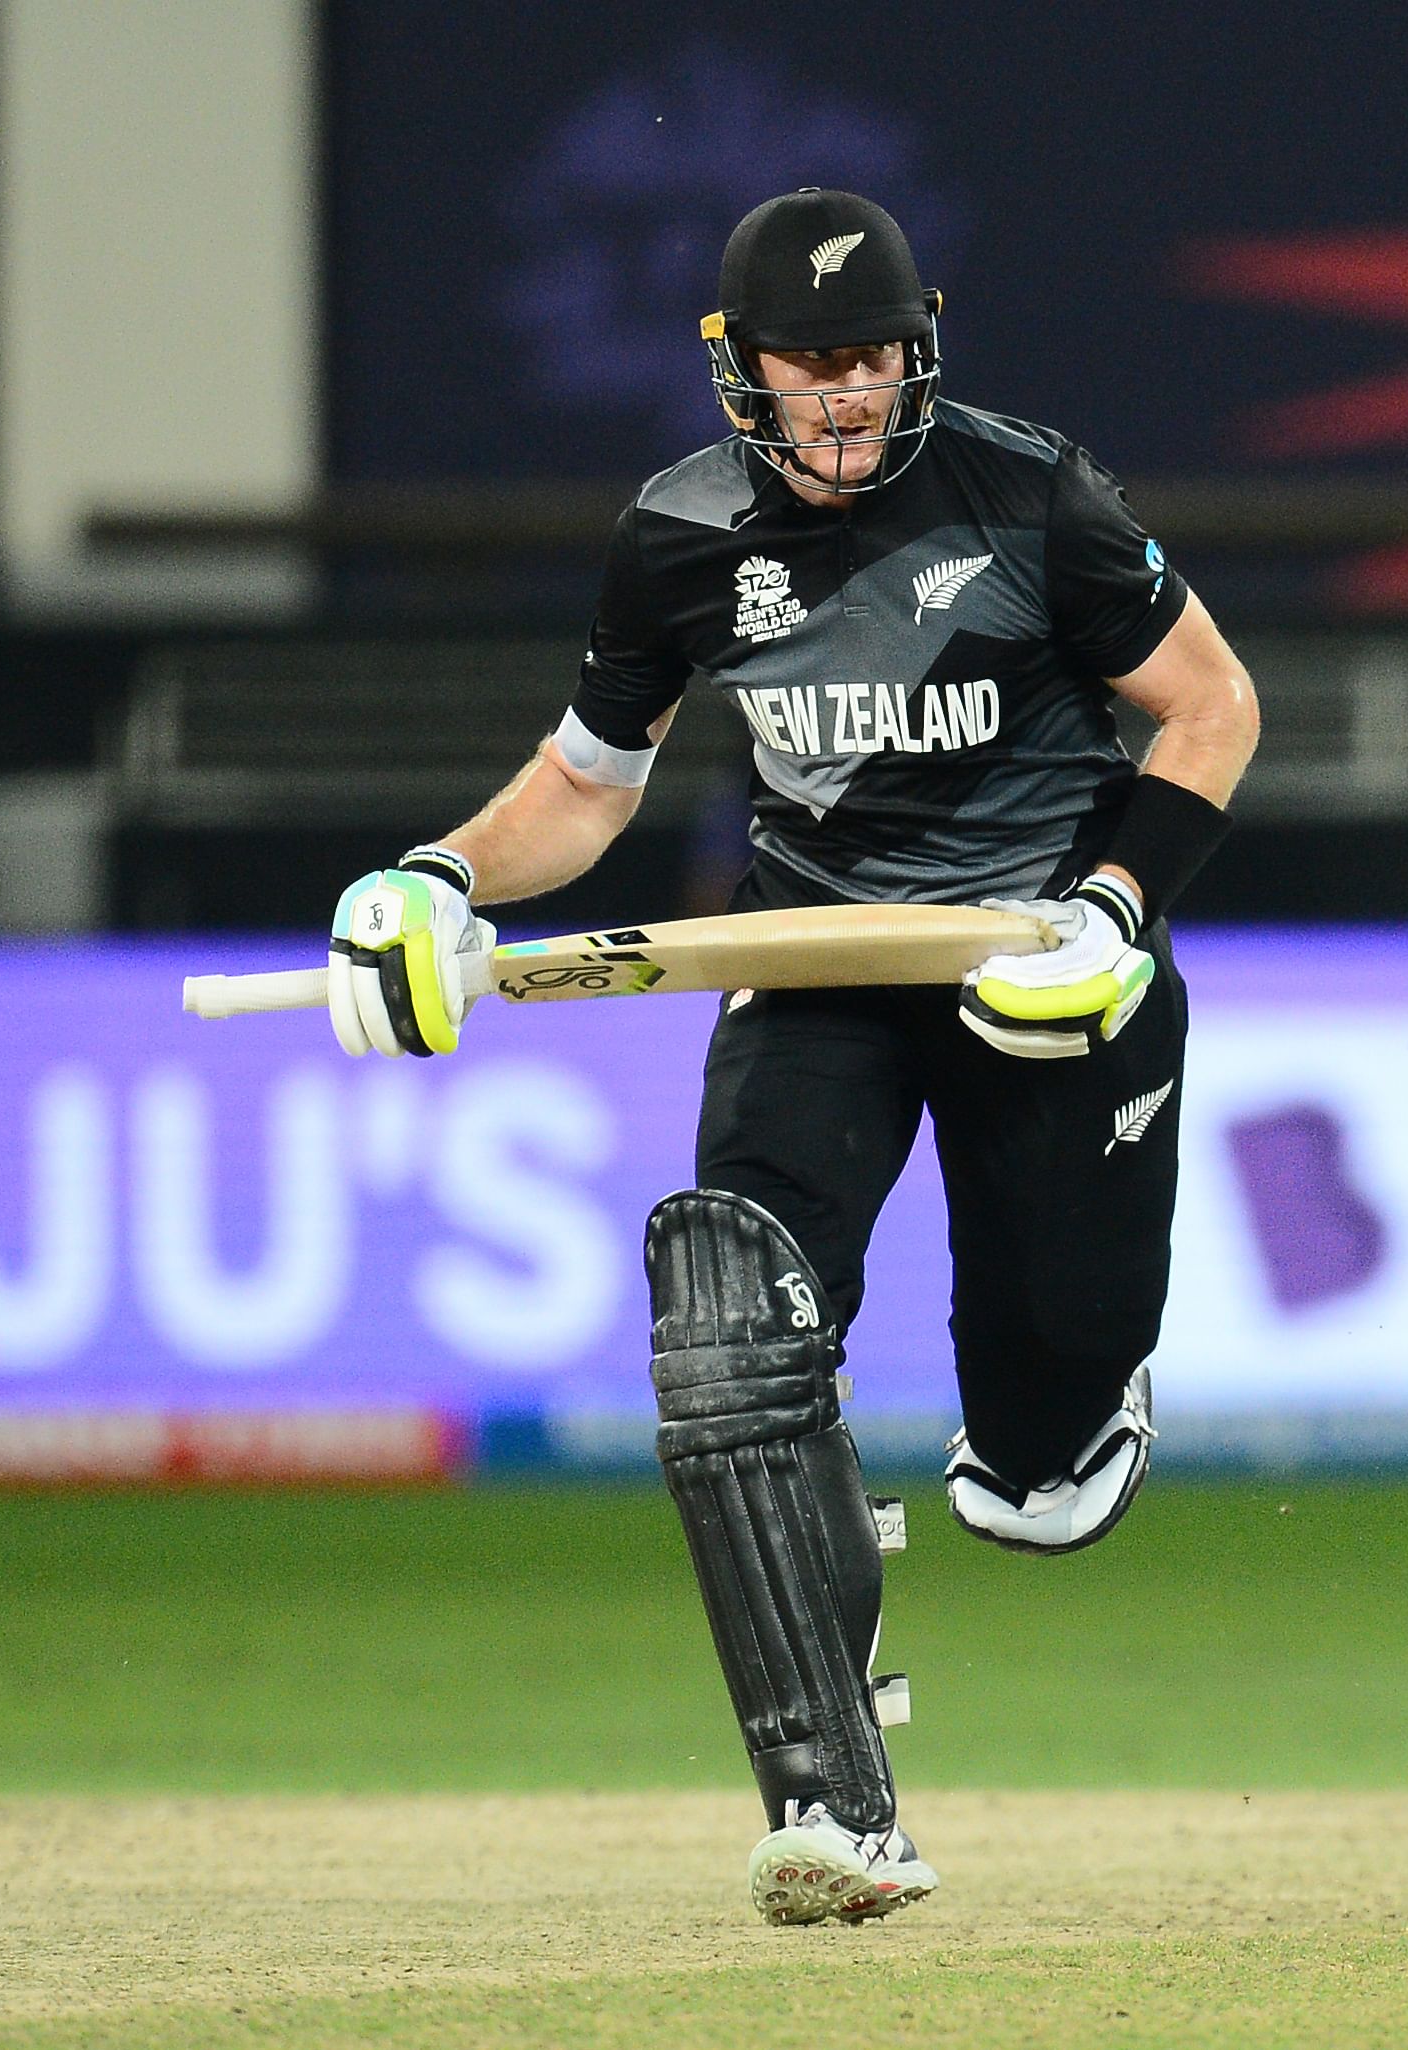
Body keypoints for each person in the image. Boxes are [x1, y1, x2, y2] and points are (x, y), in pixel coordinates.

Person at [321, 188, 1259, 1925]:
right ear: (741, 369)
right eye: (809, 362)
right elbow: (588, 783)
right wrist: (440, 873)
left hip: (1038, 964)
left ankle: (1065, 1414)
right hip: (813, 959)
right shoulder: (677, 532)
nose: (845, 392)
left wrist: (1114, 908)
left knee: (1041, 1480)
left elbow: (1211, 707)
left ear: (919, 350)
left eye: (871, 356)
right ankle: (834, 1796)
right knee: (730, 1319)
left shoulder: (1035, 493)